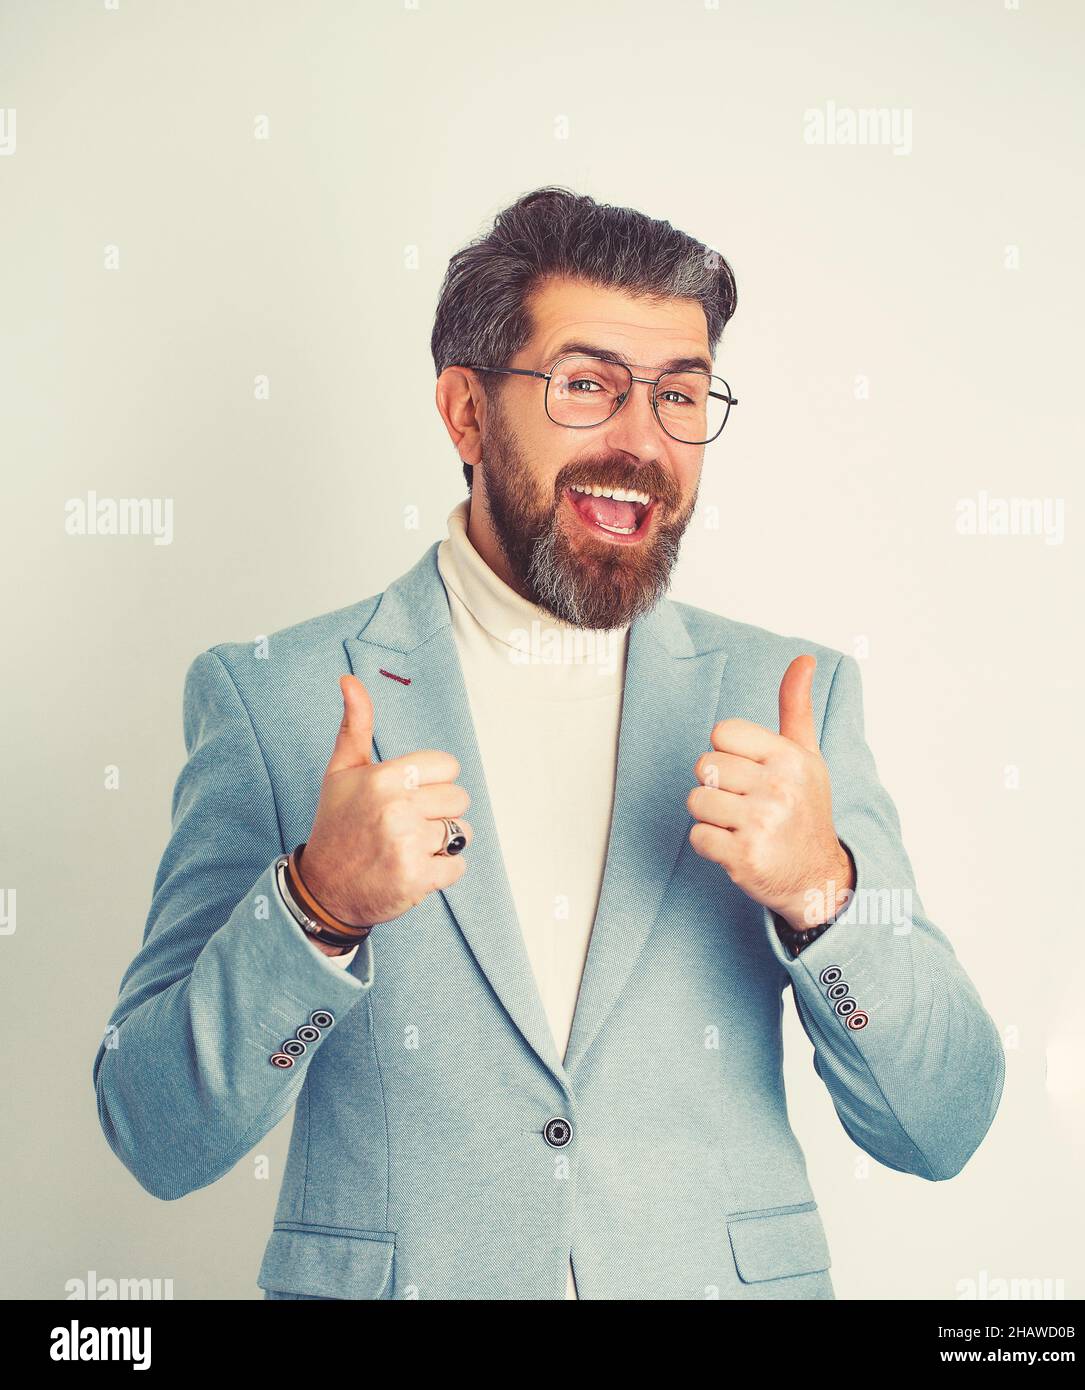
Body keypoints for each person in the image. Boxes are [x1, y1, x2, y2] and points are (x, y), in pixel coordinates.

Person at [93, 187, 1004, 1300]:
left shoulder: (787, 701)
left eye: (678, 394)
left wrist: (825, 890)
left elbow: (945, 1122)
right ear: (466, 413)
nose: (643, 442)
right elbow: (154, 1131)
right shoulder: (274, 700)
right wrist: (314, 907)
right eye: (587, 386)